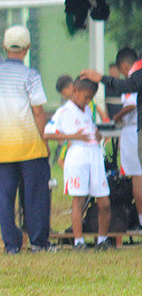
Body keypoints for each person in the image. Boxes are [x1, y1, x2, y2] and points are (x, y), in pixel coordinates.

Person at [0, 25, 52, 254]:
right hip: (29, 144)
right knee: (35, 194)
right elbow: (38, 111)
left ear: (4, 46)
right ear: (27, 47)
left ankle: (11, 244)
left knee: (5, 196)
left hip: (1, 144)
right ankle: (38, 242)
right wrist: (44, 139)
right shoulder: (30, 75)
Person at [43, 77, 112, 250]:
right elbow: (48, 134)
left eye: (90, 98)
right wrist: (73, 136)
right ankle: (78, 241)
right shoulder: (64, 111)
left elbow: (91, 129)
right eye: (85, 97)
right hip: (78, 157)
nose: (87, 101)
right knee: (79, 199)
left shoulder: (88, 110)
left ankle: (102, 239)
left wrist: (98, 136)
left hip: (94, 155)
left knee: (104, 201)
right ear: (75, 91)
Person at [109, 48, 142, 229]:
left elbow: (130, 105)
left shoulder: (133, 79)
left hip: (132, 131)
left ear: (124, 66)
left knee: (137, 177)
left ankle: (140, 220)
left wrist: (117, 116)